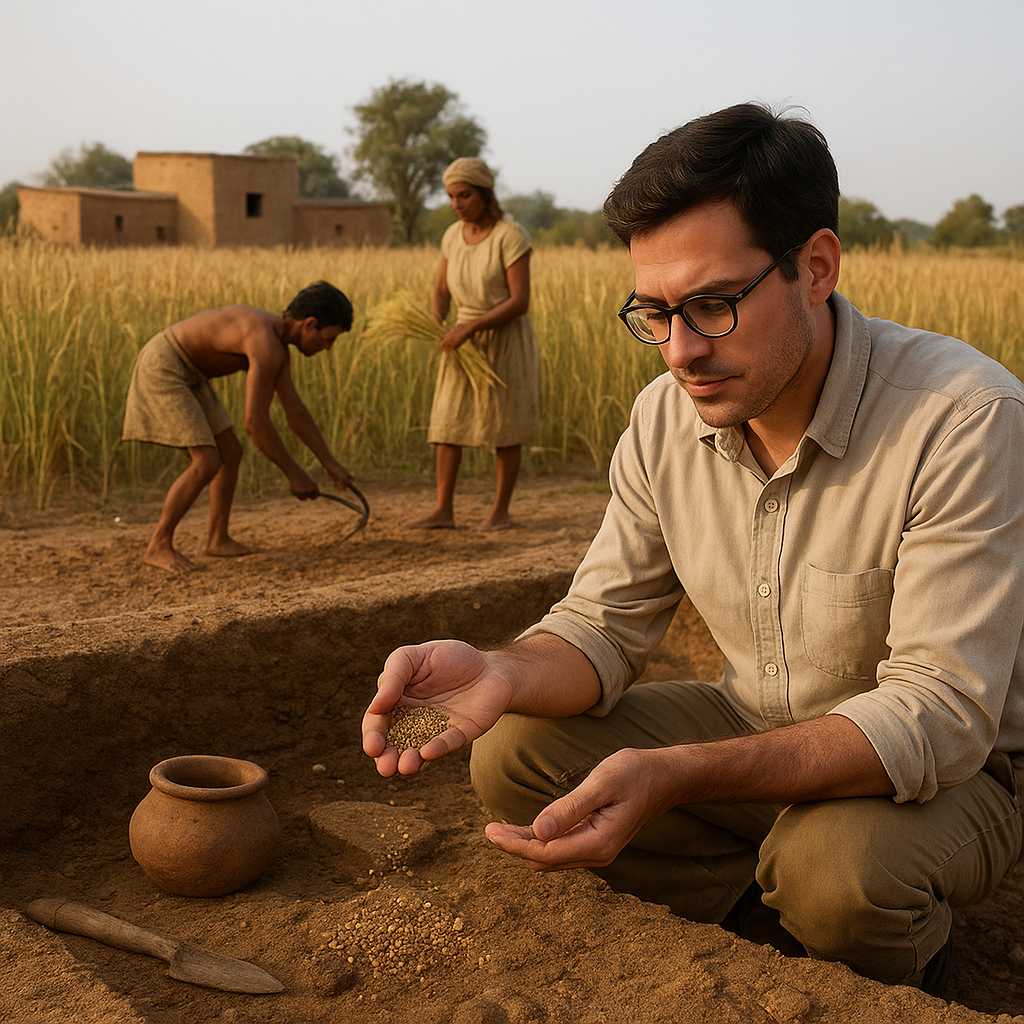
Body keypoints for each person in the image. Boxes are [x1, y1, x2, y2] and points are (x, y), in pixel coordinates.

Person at [362, 103, 1024, 997]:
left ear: (816, 267)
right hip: (755, 727)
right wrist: (500, 669)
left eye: (713, 306)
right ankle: (758, 922)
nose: (680, 352)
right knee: (513, 749)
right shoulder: (664, 417)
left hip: (945, 776)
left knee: (840, 873)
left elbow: (939, 716)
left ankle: (896, 973)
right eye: (654, 313)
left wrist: (679, 774)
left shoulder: (964, 418)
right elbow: (602, 622)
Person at [122, 280, 355, 574]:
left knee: (229, 452)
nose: (328, 348)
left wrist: (329, 462)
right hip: (165, 364)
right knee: (206, 461)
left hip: (191, 373)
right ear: (309, 325)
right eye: (329, 339)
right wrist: (294, 474)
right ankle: (158, 544)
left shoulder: (278, 349)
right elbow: (255, 421)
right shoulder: (265, 341)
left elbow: (295, 412)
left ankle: (218, 539)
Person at [404, 157, 540, 531]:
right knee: (447, 423)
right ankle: (442, 510)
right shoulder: (452, 235)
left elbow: (519, 301)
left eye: (464, 195)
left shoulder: (510, 237)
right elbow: (440, 289)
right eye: (451, 196)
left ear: (484, 193)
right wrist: (435, 320)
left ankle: (500, 511)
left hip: (503, 339)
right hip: (461, 342)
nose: (457, 203)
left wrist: (471, 326)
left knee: (504, 425)